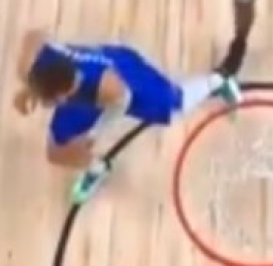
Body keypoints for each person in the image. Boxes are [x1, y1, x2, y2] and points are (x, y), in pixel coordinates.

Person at [12, 30, 243, 204]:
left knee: (175, 105)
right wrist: (29, 90)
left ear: (65, 91)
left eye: (55, 100)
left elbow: (120, 105)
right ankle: (97, 169)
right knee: (56, 152)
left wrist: (93, 134)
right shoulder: (32, 62)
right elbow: (34, 36)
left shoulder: (109, 86)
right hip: (85, 93)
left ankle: (217, 82)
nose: (52, 104)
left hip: (124, 74)